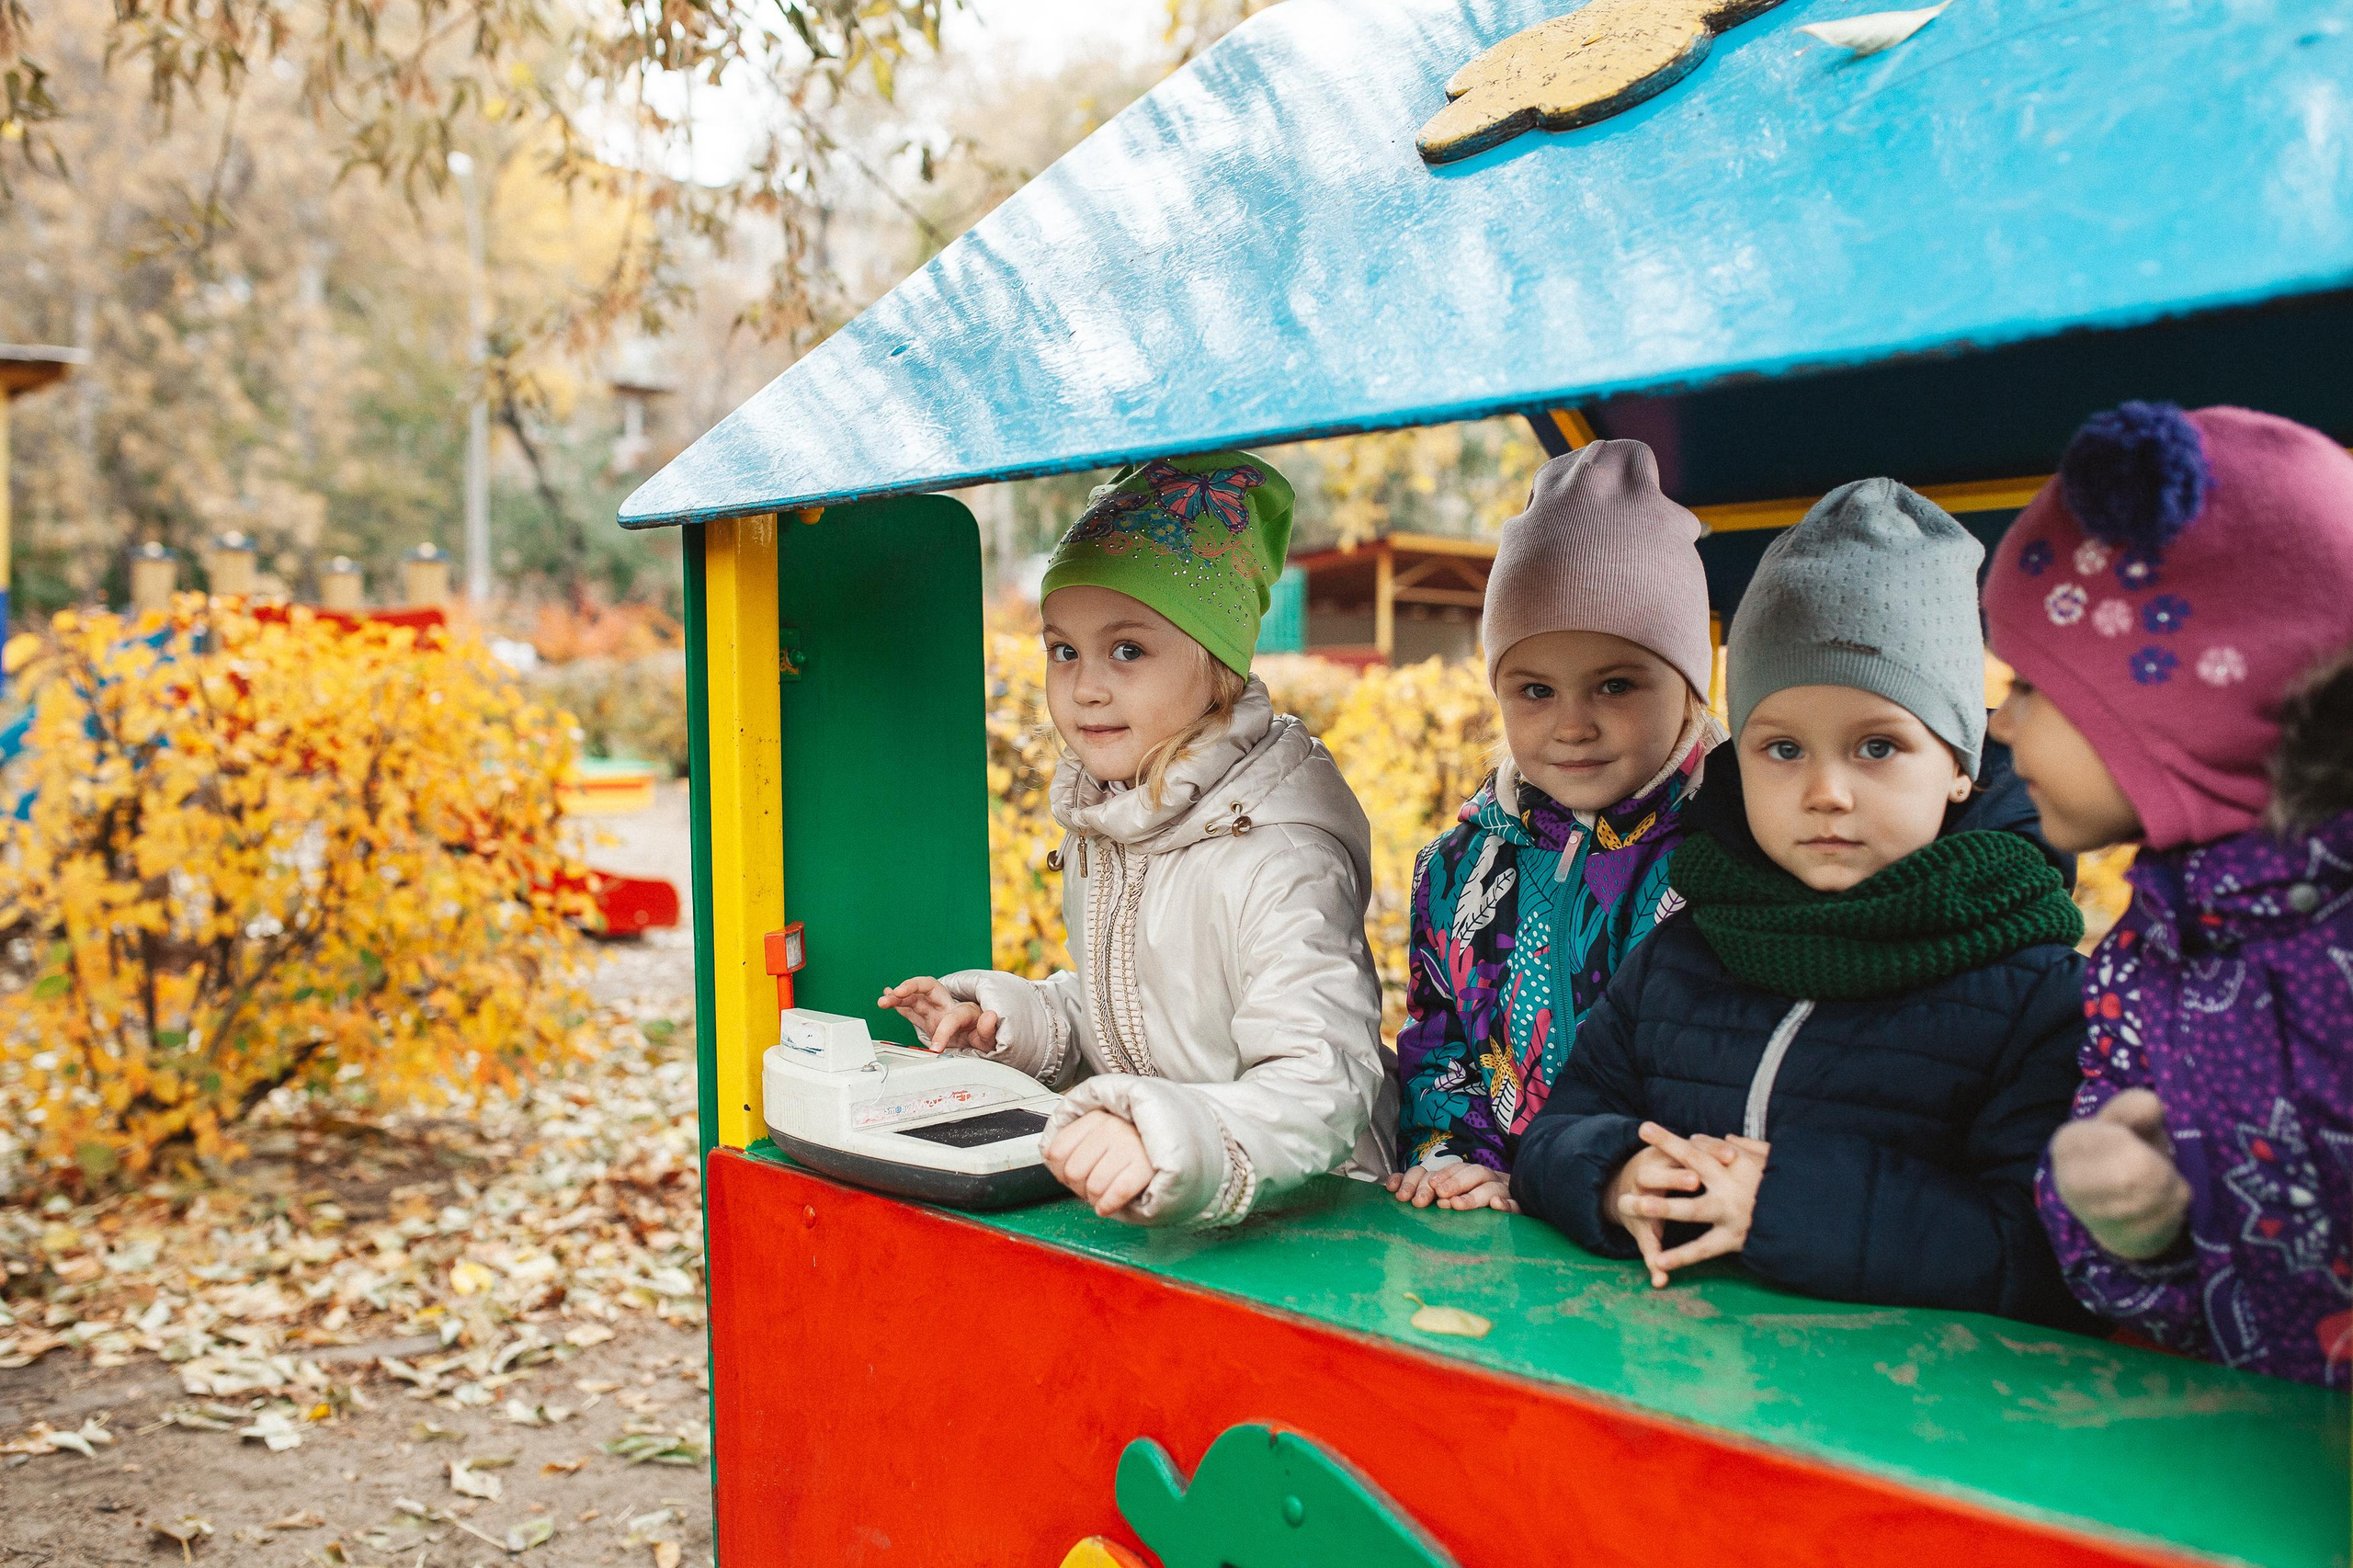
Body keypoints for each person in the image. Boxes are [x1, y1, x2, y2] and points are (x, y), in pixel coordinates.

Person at [1512, 478, 2097, 1331]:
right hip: (1665, 1390)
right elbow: (1559, 1130)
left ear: (1961, 763)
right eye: (1782, 748)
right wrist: (1610, 1178)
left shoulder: (2039, 1000)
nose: (1826, 791)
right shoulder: (1685, 954)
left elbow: (2046, 1257)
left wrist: (1782, 1203)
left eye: (1878, 747)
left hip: (1904, 1434)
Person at [879, 452, 1393, 1227]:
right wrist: (1011, 1023)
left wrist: (1172, 1138)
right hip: (1171, 1204)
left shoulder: (1281, 859)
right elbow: (1133, 1018)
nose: (1085, 686)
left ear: (1216, 665)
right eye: (1064, 650)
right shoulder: (1120, 818)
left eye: (1128, 650)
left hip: (1313, 1218)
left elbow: (1323, 1084)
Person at [1983, 402, 2353, 1386]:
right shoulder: (2146, 958)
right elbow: (2168, 1301)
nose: (2000, 720)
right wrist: (2123, 1225)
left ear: (2183, 701)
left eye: (2029, 683)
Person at [1389, 441, 1722, 1212]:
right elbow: (1442, 1043)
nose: (1572, 726)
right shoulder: (1456, 869)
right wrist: (1450, 1160)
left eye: (1615, 684)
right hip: (1496, 1233)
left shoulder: (1726, 855)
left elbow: (1716, 1069)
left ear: (1689, 684)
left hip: (1648, 1228)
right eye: (1535, 690)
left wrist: (1572, 1184)